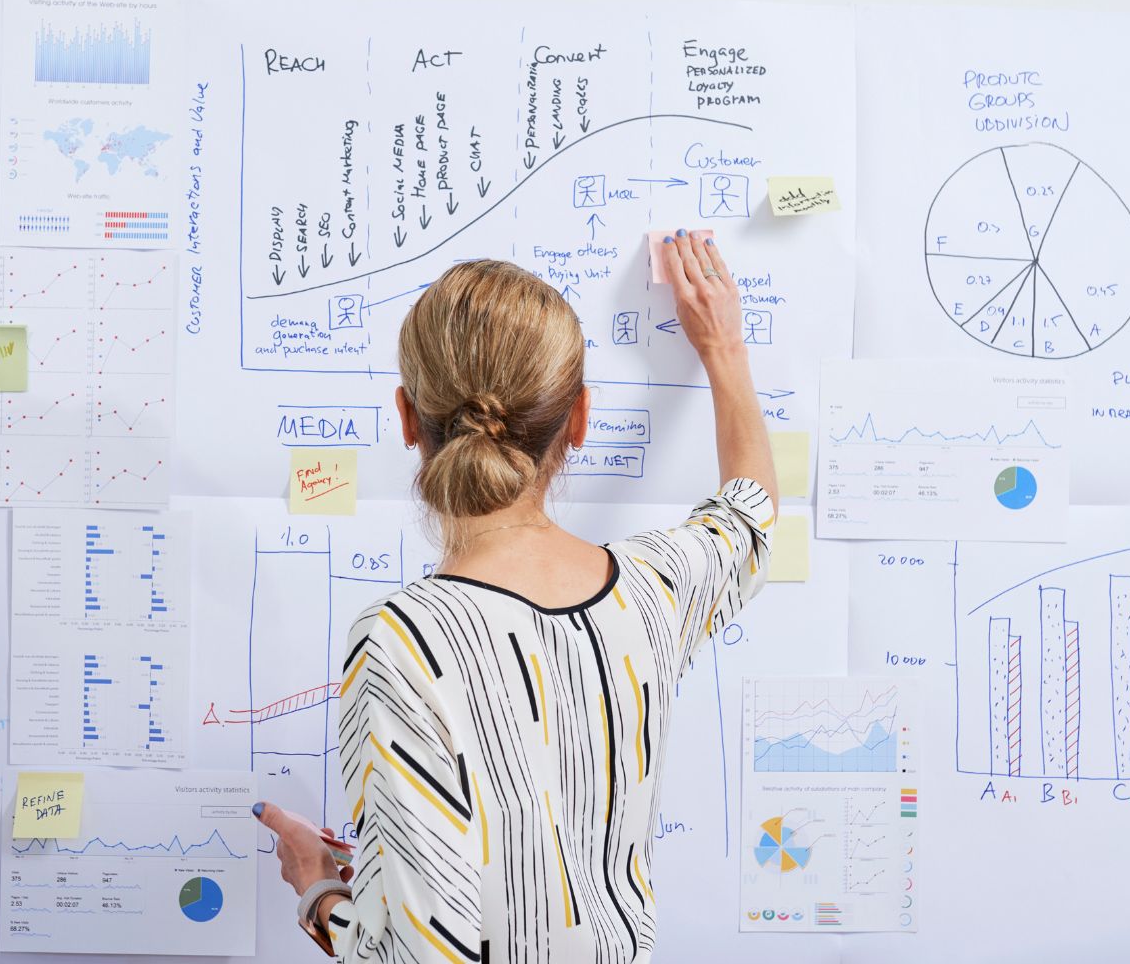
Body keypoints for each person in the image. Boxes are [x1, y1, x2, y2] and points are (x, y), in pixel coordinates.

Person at [255, 230, 777, 962]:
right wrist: (723, 348)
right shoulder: (655, 591)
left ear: (407, 419)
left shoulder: (403, 640)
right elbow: (750, 516)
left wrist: (318, 893)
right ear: (582, 419)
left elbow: (419, 957)